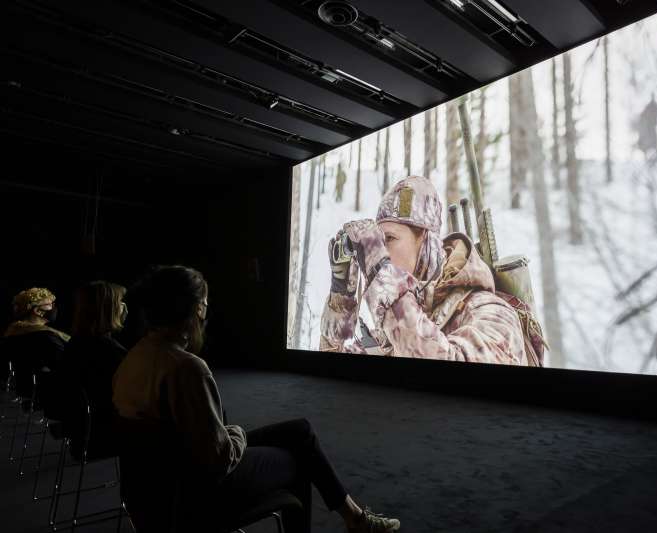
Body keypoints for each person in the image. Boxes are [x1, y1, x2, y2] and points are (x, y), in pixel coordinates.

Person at [112, 265, 400, 533]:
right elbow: (218, 459)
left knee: (300, 431)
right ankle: (353, 521)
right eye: (205, 307)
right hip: (197, 491)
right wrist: (236, 434)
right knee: (298, 459)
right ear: (196, 310)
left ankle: (354, 517)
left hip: (153, 491)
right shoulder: (186, 368)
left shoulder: (134, 357)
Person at [320, 175, 526, 365]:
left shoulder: (490, 312)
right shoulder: (395, 329)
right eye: (378, 243)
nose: (381, 252)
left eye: (389, 239)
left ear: (428, 245)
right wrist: (341, 295)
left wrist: (381, 273)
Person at [58, 281, 128, 453]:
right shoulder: (107, 351)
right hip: (104, 434)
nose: (124, 307)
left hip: (81, 433)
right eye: (119, 302)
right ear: (107, 309)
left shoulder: (76, 343)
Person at [2, 287, 70, 401]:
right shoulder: (44, 337)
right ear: (37, 311)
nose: (54, 308)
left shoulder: (13, 332)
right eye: (50, 304)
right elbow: (66, 364)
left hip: (26, 389)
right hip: (53, 391)